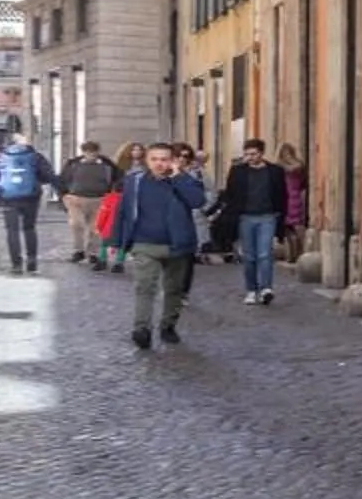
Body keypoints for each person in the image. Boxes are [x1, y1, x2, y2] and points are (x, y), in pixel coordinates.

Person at [111, 143, 206, 350]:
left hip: (177, 244)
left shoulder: (185, 180)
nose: (159, 164)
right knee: (144, 286)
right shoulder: (134, 182)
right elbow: (123, 211)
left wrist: (178, 177)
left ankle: (168, 326)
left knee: (174, 289)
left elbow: (198, 201)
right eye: (154, 159)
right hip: (144, 243)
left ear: (172, 160)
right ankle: (141, 328)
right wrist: (117, 241)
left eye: (164, 159)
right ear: (147, 160)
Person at [219, 140, 288, 304]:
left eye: (253, 154)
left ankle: (266, 288)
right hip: (245, 217)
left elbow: (282, 194)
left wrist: (281, 216)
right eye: (247, 154)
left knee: (265, 254)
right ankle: (251, 289)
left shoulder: (275, 171)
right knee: (249, 256)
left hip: (268, 216)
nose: (250, 158)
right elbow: (230, 194)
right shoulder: (237, 172)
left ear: (261, 153)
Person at [0, 133, 50, 273]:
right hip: (31, 197)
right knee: (29, 228)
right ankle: (32, 261)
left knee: (12, 231)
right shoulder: (35, 156)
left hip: (8, 198)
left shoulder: (1, 157)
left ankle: (16, 264)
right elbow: (47, 175)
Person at [55, 141, 116, 263]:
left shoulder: (106, 165)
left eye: (93, 153)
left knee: (95, 227)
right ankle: (78, 250)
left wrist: (109, 196)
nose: (91, 155)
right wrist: (64, 195)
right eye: (88, 152)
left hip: (98, 199)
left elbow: (116, 179)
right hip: (76, 199)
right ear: (83, 153)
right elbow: (62, 180)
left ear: (97, 152)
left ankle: (92, 252)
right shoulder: (73, 164)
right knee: (76, 224)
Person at [277, 143, 309, 262]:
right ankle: (300, 252)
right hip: (296, 195)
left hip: (286, 196)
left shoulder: (279, 167)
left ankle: (293, 253)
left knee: (289, 228)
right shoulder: (299, 165)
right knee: (296, 226)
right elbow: (304, 182)